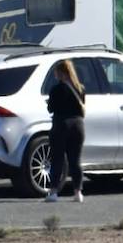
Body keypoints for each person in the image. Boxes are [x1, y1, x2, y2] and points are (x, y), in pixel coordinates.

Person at [45, 60, 86, 203]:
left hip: (61, 125)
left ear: (61, 72)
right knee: (75, 160)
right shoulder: (80, 88)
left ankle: (54, 192)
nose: (55, 74)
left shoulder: (56, 89)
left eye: (56, 72)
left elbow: (51, 108)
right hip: (78, 125)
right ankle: (78, 192)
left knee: (57, 159)